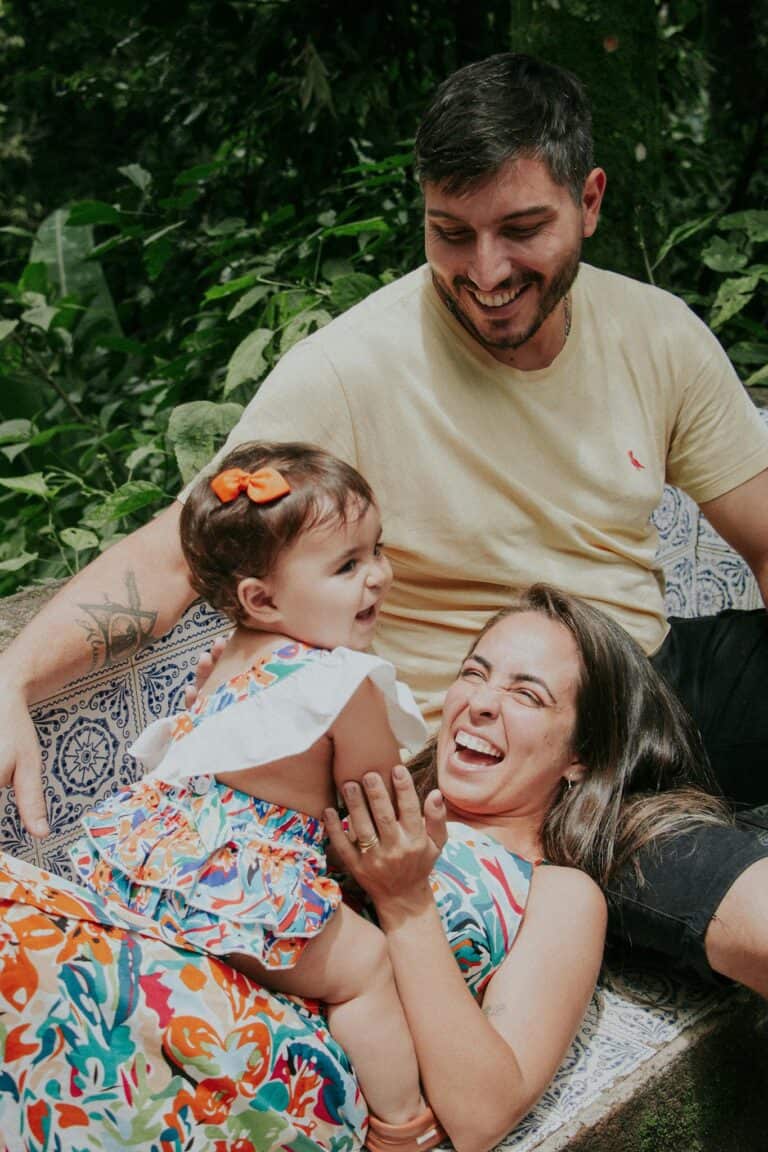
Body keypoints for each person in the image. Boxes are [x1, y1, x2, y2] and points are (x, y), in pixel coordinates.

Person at [2, 52, 768, 995]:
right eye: (451, 234)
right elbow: (178, 556)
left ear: (590, 201)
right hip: (508, 762)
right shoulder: (348, 371)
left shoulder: (656, 332)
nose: (486, 271)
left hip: (654, 670)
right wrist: (12, 674)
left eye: (522, 229)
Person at [0, 583, 727, 1150]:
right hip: (172, 979)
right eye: (475, 674)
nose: (480, 703)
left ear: (581, 758)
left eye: (527, 695)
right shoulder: (366, 780)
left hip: (276, 1067)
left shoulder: (559, 893)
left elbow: (482, 1114)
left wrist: (406, 901)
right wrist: (223, 739)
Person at [68, 439, 444, 1150]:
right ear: (261, 599)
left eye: (377, 550)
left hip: (152, 859)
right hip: (236, 881)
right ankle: (403, 1128)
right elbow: (375, 804)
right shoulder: (342, 684)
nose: (378, 576)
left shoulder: (229, 655)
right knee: (366, 968)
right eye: (347, 566)